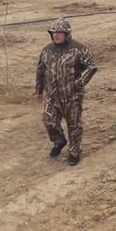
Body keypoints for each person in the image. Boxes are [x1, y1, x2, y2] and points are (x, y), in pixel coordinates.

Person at [35, 18, 98, 167]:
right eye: (54, 33)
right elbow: (40, 70)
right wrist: (39, 90)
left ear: (67, 34)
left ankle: (74, 151)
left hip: (72, 96)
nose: (56, 36)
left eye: (60, 33)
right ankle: (59, 141)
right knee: (49, 121)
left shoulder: (79, 49)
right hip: (52, 96)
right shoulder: (47, 50)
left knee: (74, 125)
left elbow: (92, 67)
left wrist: (80, 83)